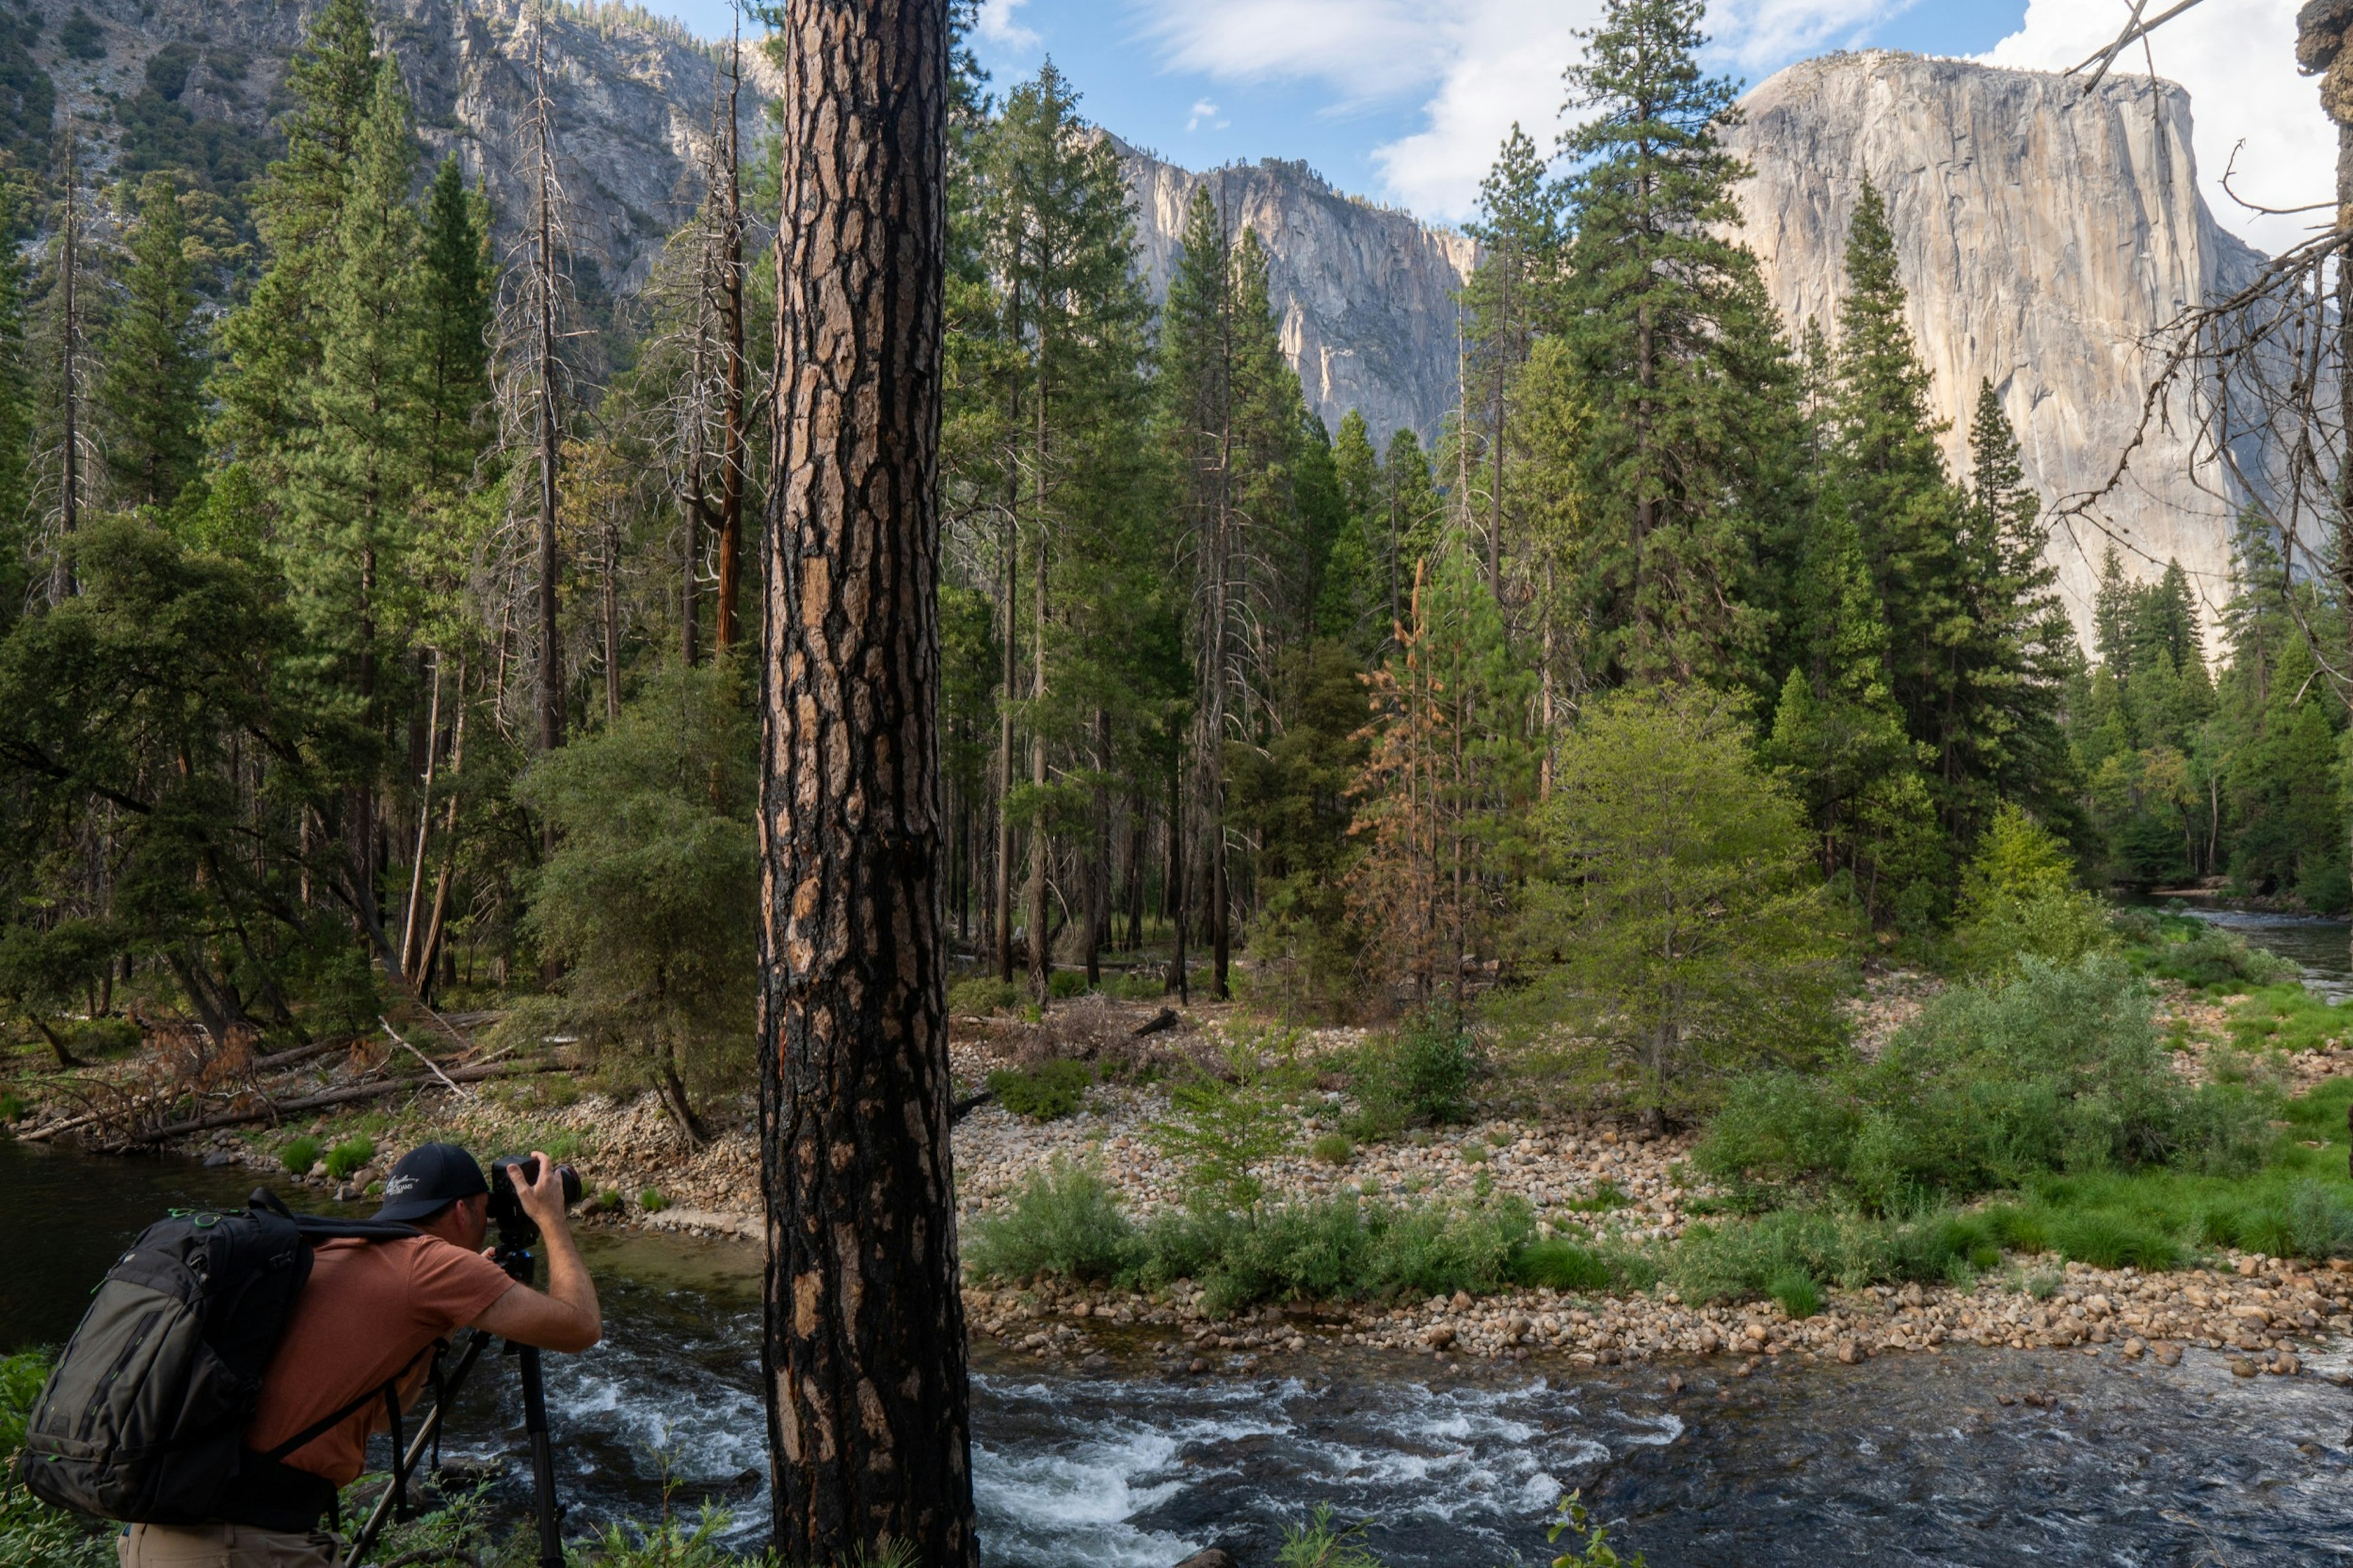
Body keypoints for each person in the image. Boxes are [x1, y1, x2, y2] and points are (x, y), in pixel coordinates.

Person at [115, 1143, 602, 1568]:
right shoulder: (431, 1261)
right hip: (240, 1546)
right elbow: (580, 1325)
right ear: (462, 1212)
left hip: (165, 1532)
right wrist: (551, 1219)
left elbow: (387, 1417)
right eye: (486, 1210)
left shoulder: (334, 1244)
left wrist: (452, 1318)